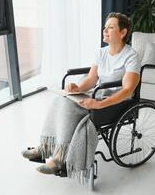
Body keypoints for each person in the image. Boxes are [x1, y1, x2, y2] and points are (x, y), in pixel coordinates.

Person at [21, 12, 141, 175]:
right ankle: (46, 147)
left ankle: (58, 158)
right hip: (98, 92)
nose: (105, 30)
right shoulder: (101, 52)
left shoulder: (131, 56)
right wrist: (77, 88)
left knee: (70, 109)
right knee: (60, 101)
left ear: (123, 32)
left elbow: (128, 89)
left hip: (116, 101)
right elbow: (92, 78)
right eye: (105, 27)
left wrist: (98, 104)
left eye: (110, 27)